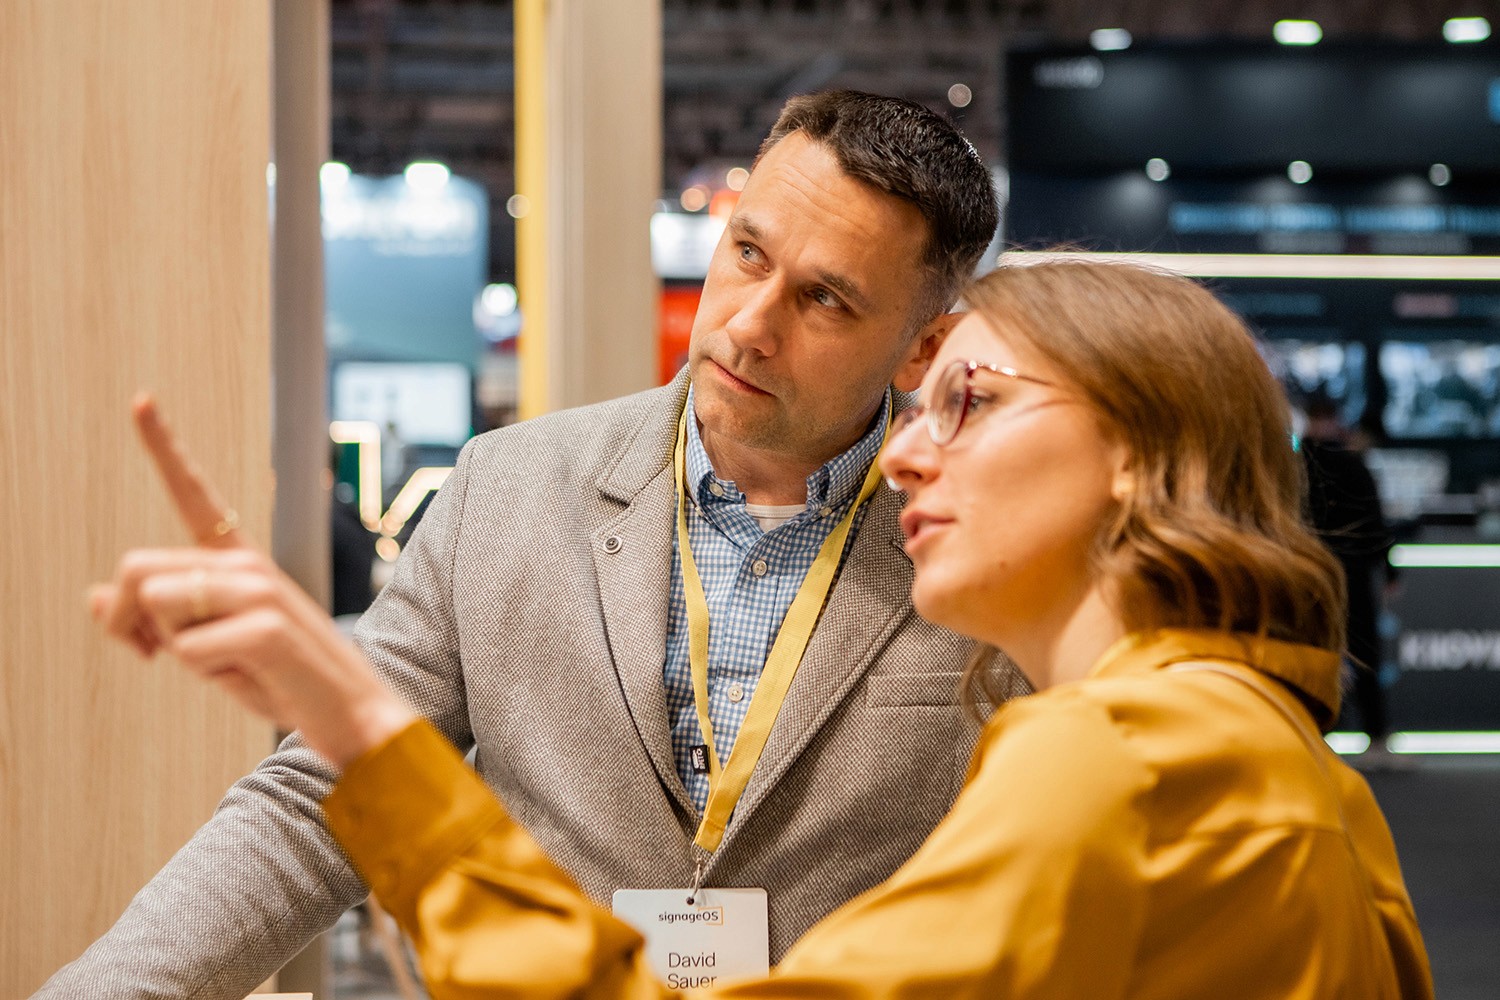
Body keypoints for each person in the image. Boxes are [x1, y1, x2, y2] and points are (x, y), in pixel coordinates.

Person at [94, 259, 1434, 998]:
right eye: (746, 252)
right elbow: (288, 818)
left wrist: (362, 725)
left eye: (966, 400)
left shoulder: (1114, 759)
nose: (909, 457)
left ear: (1141, 456)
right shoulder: (1280, 760)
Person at [40, 90, 1014, 998]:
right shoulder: (507, 489)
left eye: (826, 300)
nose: (748, 325)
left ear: (926, 347)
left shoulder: (994, 547)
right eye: (748, 252)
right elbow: (319, 800)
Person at [1300, 395, 1399, 765]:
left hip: (1311, 570)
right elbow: (1375, 518)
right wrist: (1388, 569)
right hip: (1349, 570)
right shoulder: (1353, 461)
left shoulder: (1294, 462)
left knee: (1316, 651)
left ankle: (1314, 735)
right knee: (1361, 650)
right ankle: (1375, 737)